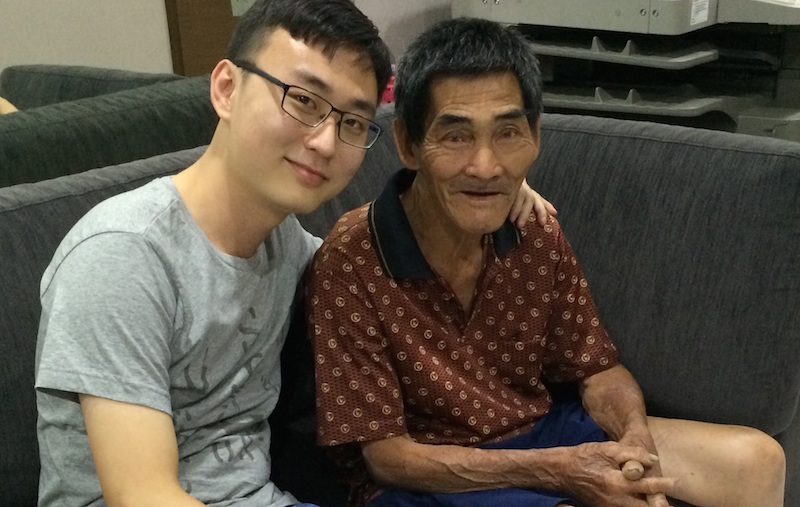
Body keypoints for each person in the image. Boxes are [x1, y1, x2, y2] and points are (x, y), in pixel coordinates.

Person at [33, 2, 553, 506]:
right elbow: (141, 495)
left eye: (353, 122)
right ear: (226, 89)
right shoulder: (123, 255)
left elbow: (382, 258)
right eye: (303, 100)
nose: (325, 142)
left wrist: (490, 184)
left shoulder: (288, 248)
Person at [309, 17, 787, 507]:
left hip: (541, 430)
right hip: (431, 473)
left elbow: (597, 368)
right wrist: (561, 471)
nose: (486, 166)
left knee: (757, 460)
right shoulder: (352, 257)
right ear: (408, 144)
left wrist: (635, 440)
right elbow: (386, 458)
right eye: (455, 137)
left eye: (508, 133)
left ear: (535, 135)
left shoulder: (533, 229)